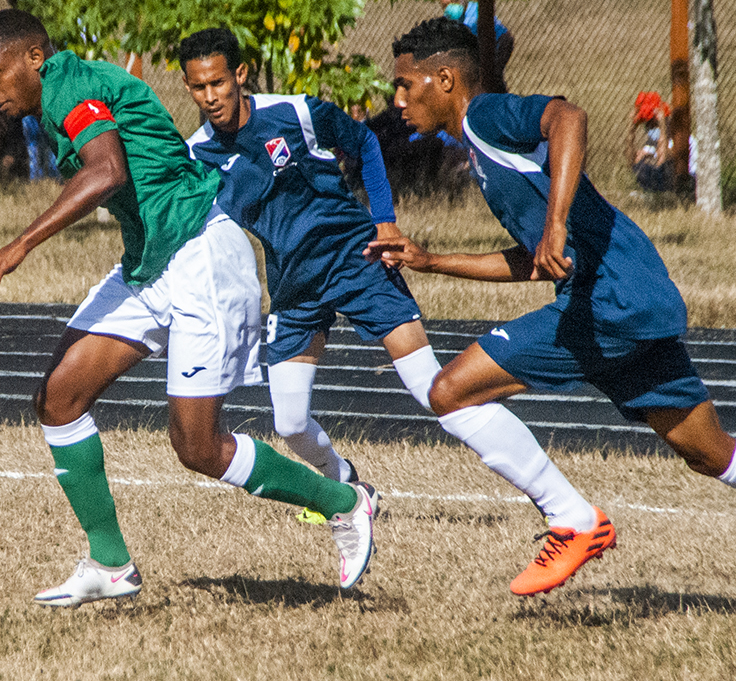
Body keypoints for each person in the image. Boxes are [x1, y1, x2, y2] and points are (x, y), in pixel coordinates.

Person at [0, 9, 378, 607]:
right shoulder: (61, 92)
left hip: (202, 258)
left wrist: (21, 243)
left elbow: (107, 171)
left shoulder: (70, 88)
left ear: (33, 58)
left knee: (198, 448)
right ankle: (109, 562)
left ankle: (344, 501)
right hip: (152, 264)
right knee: (59, 396)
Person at [367, 17, 736, 596]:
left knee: (449, 391)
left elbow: (569, 117)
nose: (398, 100)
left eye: (405, 86)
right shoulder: (480, 152)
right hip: (628, 295)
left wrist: (557, 226)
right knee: (710, 454)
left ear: (443, 79)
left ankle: (574, 519)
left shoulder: (485, 117)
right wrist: (430, 259)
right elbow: (532, 260)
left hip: (610, 300)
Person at [178, 28, 576, 553]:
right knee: (290, 423)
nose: (210, 97)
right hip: (295, 286)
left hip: (359, 262)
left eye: (218, 83)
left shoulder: (296, 113)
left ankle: (556, 504)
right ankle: (348, 487)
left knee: (434, 389)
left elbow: (363, 142)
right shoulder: (198, 155)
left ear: (241, 75)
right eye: (197, 87)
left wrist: (384, 219)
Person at [437, 0, 513, 93]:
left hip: (492, 56)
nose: (450, 8)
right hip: (472, 62)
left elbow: (506, 38)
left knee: (491, 84)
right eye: (445, 5)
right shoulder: (448, 21)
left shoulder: (478, 12)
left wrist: (494, 67)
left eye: (453, 2)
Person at [626, 91, 696, 194]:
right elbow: (631, 160)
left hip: (691, 180)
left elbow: (663, 160)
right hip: (667, 180)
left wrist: (662, 126)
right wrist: (631, 129)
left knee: (665, 168)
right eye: (647, 124)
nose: (650, 128)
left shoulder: (680, 139)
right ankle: (655, 195)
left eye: (654, 124)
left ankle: (671, 198)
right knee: (640, 168)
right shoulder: (652, 142)